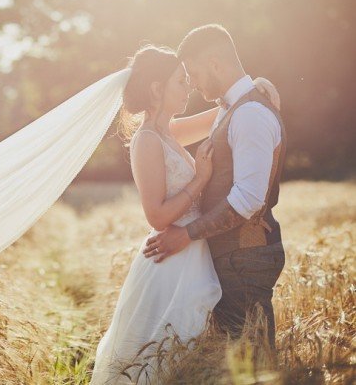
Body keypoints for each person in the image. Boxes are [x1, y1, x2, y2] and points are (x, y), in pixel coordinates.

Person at [90, 44, 280, 384]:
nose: (189, 87)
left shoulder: (168, 132)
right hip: (172, 258)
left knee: (189, 358)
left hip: (193, 252)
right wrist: (200, 180)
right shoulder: (146, 139)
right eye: (181, 81)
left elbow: (226, 112)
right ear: (156, 89)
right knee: (160, 360)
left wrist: (257, 87)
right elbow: (157, 217)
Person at [143, 24, 286, 351]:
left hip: (245, 255)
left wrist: (186, 233)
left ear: (215, 64)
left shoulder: (249, 113)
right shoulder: (233, 108)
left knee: (253, 362)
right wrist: (256, 83)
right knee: (238, 361)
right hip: (229, 257)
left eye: (192, 73)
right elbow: (171, 132)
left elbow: (248, 199)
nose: (191, 84)